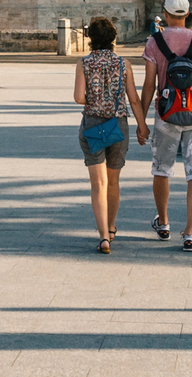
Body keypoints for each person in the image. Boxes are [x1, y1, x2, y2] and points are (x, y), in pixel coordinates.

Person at [139, 0, 192, 252]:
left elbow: (150, 85)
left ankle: (164, 223)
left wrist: (142, 120)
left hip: (166, 114)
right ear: (187, 13)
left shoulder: (154, 42)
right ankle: (190, 233)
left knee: (162, 169)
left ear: (166, 12)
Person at [72, 16, 143, 253]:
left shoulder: (84, 63)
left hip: (93, 124)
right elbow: (133, 98)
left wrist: (94, 97)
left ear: (91, 39)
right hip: (117, 124)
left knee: (98, 183)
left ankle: (102, 236)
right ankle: (112, 228)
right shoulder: (124, 64)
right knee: (113, 181)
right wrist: (142, 126)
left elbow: (79, 97)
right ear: (113, 38)